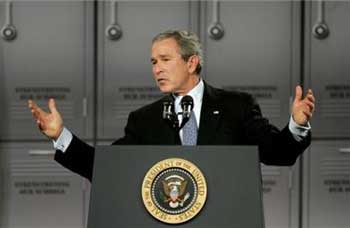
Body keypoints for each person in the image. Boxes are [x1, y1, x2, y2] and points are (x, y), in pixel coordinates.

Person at [28, 30, 315, 182]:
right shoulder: (145, 119)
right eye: (153, 62)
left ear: (192, 62)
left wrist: (297, 124)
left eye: (165, 60)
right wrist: (60, 136)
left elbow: (277, 153)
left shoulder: (236, 106)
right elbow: (105, 168)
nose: (157, 69)